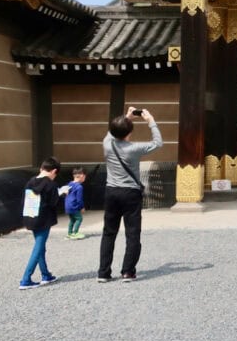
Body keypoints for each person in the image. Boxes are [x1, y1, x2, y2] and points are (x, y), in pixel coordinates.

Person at [97, 106, 163, 283]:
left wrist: (127, 117)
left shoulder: (107, 144)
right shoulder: (134, 148)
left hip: (111, 191)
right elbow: (158, 143)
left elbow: (112, 133)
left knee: (109, 233)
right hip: (130, 193)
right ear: (130, 132)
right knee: (132, 233)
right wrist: (151, 121)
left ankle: (103, 273)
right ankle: (128, 271)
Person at [19, 156, 62, 290]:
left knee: (40, 246)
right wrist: (61, 193)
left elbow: (24, 201)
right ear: (54, 171)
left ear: (41, 168)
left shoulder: (30, 182)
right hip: (44, 219)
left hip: (31, 217)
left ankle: (46, 274)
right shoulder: (50, 184)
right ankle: (26, 278)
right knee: (38, 248)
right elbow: (54, 202)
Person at [64, 167, 87, 240]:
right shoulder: (79, 187)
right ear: (82, 176)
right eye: (85, 177)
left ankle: (69, 233)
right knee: (79, 219)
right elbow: (79, 199)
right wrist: (82, 207)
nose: (85, 178)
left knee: (72, 220)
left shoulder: (69, 183)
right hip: (74, 205)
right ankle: (75, 233)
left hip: (67, 205)